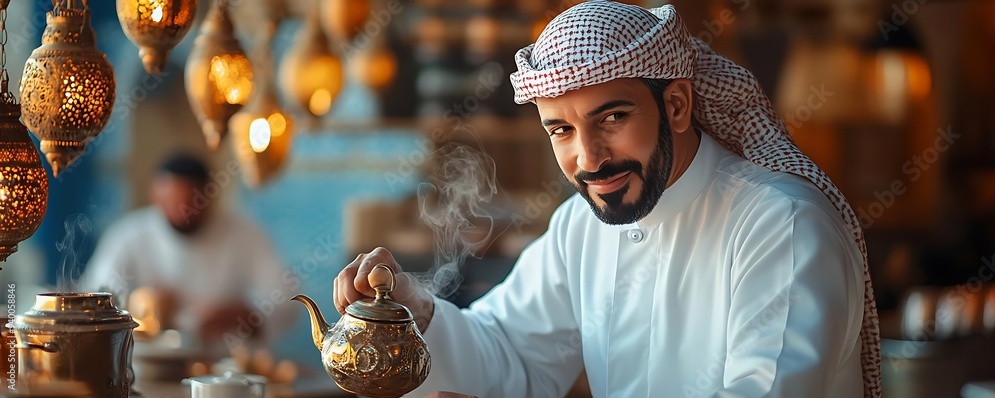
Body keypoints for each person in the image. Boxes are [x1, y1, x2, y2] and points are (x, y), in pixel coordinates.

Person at [335, 2, 880, 397]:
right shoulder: (581, 226)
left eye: (612, 118)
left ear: (677, 106)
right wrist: (414, 310)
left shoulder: (781, 225)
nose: (590, 159)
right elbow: (511, 358)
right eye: (561, 131)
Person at [79, 153, 293, 351]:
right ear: (155, 194)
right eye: (173, 202)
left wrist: (247, 313)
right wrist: (140, 302)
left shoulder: (245, 235)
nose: (183, 212)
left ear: (209, 196)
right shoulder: (128, 235)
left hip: (222, 364)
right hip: (144, 362)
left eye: (192, 202)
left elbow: (284, 297)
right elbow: (96, 292)